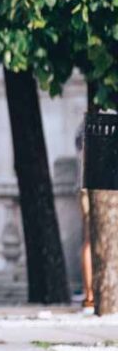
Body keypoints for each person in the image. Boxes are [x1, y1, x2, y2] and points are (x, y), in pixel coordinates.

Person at [76, 119, 94, 314]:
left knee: (89, 239)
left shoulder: (84, 125)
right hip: (103, 186)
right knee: (91, 240)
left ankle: (89, 293)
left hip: (85, 185)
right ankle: (91, 293)